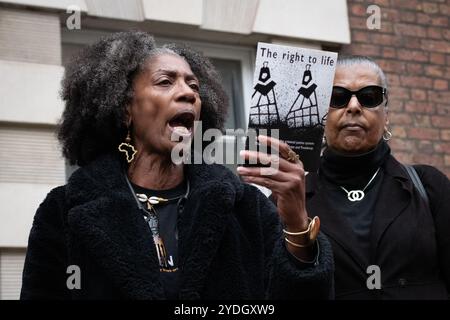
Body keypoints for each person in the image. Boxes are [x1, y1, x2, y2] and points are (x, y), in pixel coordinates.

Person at [20, 31, 334, 300]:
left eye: (194, 87)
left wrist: (296, 225)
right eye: (165, 82)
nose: (187, 93)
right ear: (125, 108)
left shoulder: (245, 207)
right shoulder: (64, 212)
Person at [241, 55, 450, 299]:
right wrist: (296, 224)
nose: (353, 106)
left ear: (387, 117)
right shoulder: (287, 198)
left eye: (369, 97)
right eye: (337, 98)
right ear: (320, 117)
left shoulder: (428, 186)